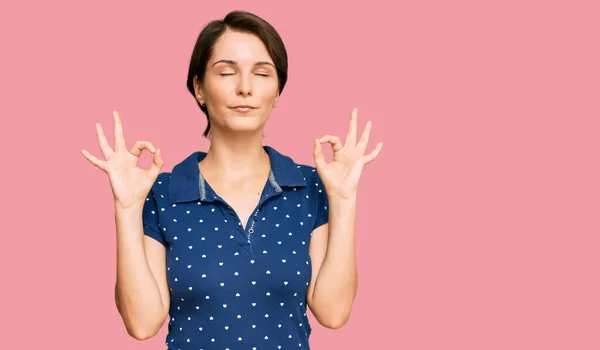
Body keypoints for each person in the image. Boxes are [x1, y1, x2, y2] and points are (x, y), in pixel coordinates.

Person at [81, 10, 382, 350]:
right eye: (226, 72)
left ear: (278, 90)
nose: (245, 88)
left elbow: (334, 312)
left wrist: (343, 200)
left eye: (262, 73)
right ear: (199, 88)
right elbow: (141, 323)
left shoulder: (310, 185)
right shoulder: (162, 192)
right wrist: (126, 207)